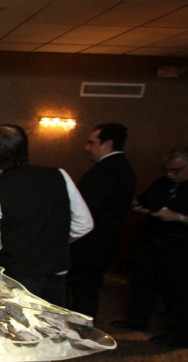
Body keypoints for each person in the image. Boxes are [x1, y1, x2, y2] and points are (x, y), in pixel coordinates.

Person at [0, 124, 93, 306]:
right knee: (55, 329)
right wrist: (54, 241)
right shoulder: (59, 175)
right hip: (57, 271)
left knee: (21, 329)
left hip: (17, 276)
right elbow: (84, 223)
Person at [112, 147, 188, 347]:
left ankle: (177, 333)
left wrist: (179, 217)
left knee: (176, 291)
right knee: (142, 283)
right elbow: (145, 201)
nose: (171, 174)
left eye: (176, 170)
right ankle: (137, 320)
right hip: (151, 241)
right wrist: (136, 205)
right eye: (168, 170)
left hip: (179, 247)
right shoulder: (162, 183)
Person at [67, 123, 136, 317]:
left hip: (90, 244)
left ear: (108, 144)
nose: (86, 148)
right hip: (107, 243)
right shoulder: (124, 168)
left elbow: (86, 212)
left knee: (82, 293)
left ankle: (79, 335)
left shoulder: (105, 171)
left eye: (91, 143)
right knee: (87, 291)